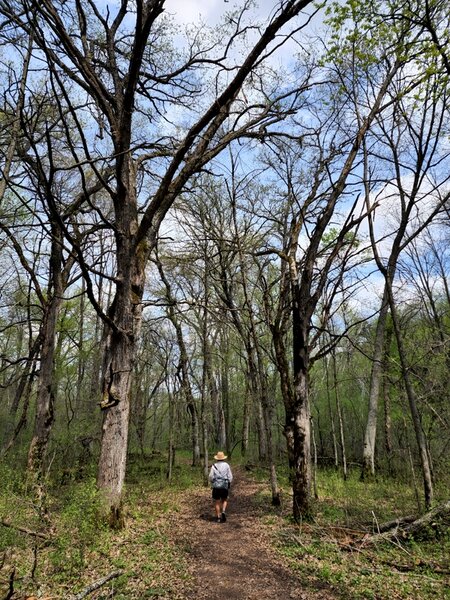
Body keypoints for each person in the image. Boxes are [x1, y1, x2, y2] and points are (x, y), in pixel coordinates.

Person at [208, 451, 233, 523]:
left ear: (217, 458)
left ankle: (218, 517)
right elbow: (230, 476)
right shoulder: (226, 465)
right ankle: (224, 511)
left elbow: (211, 476)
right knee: (224, 500)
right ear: (223, 458)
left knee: (217, 502)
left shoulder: (214, 466)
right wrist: (229, 482)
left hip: (216, 486)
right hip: (224, 485)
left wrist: (212, 481)